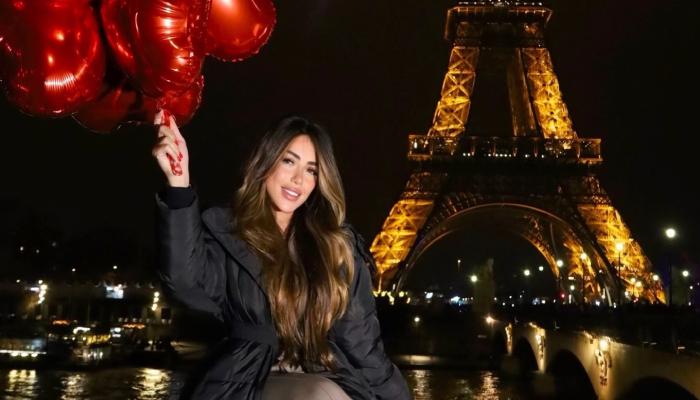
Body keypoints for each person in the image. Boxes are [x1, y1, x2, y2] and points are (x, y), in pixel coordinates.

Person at [152, 111, 411, 400]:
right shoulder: (230, 234)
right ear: (266, 162)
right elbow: (184, 282)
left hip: (322, 374)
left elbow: (361, 343)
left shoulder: (337, 246)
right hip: (246, 379)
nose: (298, 179)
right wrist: (179, 187)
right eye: (289, 161)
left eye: (312, 171)